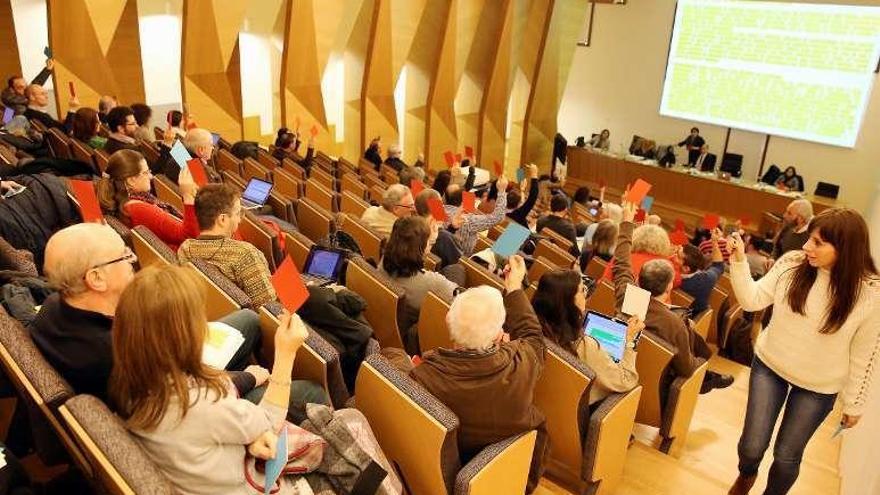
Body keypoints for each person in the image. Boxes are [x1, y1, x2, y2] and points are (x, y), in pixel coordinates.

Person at [109, 265, 327, 492]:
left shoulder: (128, 382)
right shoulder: (203, 401)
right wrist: (286, 352)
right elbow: (268, 423)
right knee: (348, 419)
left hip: (200, 472)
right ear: (184, 335)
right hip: (247, 486)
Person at [725, 209, 880, 495]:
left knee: (786, 458)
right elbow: (752, 299)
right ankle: (746, 476)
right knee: (751, 446)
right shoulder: (792, 264)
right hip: (770, 365)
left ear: (845, 248)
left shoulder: (870, 294)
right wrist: (738, 261)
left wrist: (854, 404)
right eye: (809, 238)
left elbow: (864, 354)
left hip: (819, 387)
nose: (807, 247)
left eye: (818, 243)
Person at [30, 224, 262, 402]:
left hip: (174, 376)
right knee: (295, 391)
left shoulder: (54, 305)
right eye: (124, 256)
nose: (133, 261)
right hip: (189, 405)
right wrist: (249, 378)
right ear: (96, 278)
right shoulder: (122, 356)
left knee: (249, 319)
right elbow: (185, 400)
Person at [382, 255, 548, 493]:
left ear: (450, 324)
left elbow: (394, 361)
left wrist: (403, 360)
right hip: (507, 468)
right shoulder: (521, 364)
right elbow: (533, 336)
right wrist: (514, 287)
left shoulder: (424, 375)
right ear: (498, 333)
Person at [611, 199, 733, 395]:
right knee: (690, 337)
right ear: (669, 286)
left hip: (625, 358)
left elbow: (621, 263)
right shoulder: (674, 324)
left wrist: (627, 223)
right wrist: (700, 364)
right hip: (655, 386)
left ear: (639, 280)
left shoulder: (628, 295)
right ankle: (706, 375)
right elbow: (686, 368)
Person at [533, 269, 642, 404]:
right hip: (575, 413)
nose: (586, 293)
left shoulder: (530, 326)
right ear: (569, 300)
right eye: (581, 290)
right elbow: (626, 380)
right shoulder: (584, 345)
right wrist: (629, 341)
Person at [177, 184, 277, 307]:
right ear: (222, 219)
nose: (240, 220)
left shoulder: (185, 249)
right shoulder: (245, 253)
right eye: (237, 214)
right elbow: (270, 307)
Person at [379, 216, 462, 354]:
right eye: (429, 244)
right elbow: (458, 295)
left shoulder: (383, 260)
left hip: (397, 321)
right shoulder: (432, 282)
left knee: (450, 269)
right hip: (431, 314)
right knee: (457, 269)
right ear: (419, 250)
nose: (431, 247)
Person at [97, 149, 199, 250]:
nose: (150, 176)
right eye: (146, 172)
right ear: (131, 180)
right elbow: (189, 237)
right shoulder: (138, 208)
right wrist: (188, 196)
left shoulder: (126, 201)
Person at [602, 223, 683, 288]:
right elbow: (677, 280)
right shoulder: (666, 265)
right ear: (664, 243)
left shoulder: (622, 255)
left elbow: (604, 281)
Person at [445, 175, 508, 256]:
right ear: (462, 202)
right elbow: (498, 217)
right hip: (464, 258)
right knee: (512, 238)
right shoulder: (467, 219)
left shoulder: (439, 210)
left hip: (451, 251)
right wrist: (502, 191)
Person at [414, 189, 463, 270]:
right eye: (442, 206)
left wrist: (452, 228)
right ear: (438, 207)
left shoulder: (408, 226)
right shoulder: (445, 238)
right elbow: (460, 266)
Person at [680, 230, 724, 316]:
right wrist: (714, 242)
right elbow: (719, 266)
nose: (673, 256)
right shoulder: (707, 279)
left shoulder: (673, 282)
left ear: (686, 268)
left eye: (677, 256)